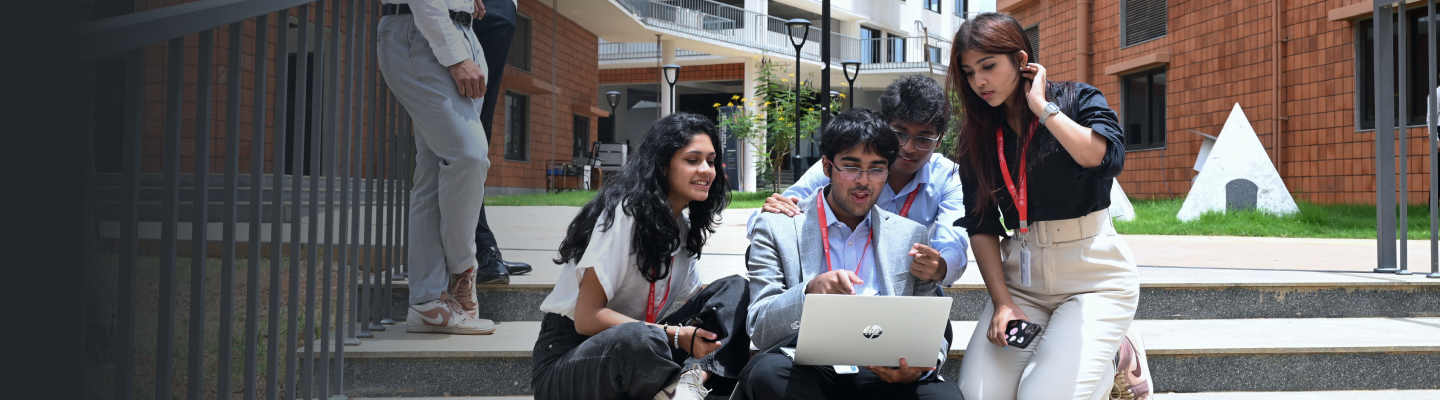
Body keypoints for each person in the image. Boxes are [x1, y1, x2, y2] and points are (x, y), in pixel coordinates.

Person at [946, 12, 1151, 399]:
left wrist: (1042, 107)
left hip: (1094, 279)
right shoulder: (979, 136)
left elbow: (1105, 158)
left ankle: (1114, 355)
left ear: (1021, 60)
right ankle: (1095, 355)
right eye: (969, 73)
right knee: (976, 396)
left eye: (988, 66)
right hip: (1023, 283)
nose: (979, 82)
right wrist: (1002, 303)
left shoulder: (1077, 99)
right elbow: (981, 224)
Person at [734, 108, 962, 400]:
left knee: (945, 396)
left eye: (877, 169)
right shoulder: (778, 227)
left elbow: (931, 328)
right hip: (804, 364)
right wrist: (810, 291)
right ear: (827, 166)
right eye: (851, 167)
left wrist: (919, 368)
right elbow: (759, 327)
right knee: (767, 372)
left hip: (881, 368)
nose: (864, 181)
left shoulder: (909, 235)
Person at [531, 113, 752, 400]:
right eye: (692, 160)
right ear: (662, 165)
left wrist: (723, 324)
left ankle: (689, 383)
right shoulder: (625, 215)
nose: (706, 170)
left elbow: (698, 299)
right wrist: (674, 334)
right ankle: (673, 389)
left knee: (736, 288)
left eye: (711, 161)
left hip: (643, 351)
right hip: (572, 359)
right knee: (639, 337)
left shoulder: (682, 228)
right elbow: (586, 318)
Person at [749, 74, 969, 288]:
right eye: (900, 134)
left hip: (902, 281)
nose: (909, 148)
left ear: (939, 139)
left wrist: (938, 267)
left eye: (923, 138)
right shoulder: (842, 164)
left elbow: (953, 246)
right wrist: (772, 212)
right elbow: (772, 217)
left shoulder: (949, 177)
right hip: (831, 279)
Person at [378, 0, 495, 334]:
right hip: (423, 32)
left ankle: (427, 302)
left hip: (461, 33)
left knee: (431, 172)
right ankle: (462, 273)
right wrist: (457, 58)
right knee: (469, 155)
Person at [470, 0, 532, 284]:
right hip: (458, 8)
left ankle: (483, 247)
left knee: (479, 134)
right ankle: (481, 247)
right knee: (461, 139)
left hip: (501, 10)